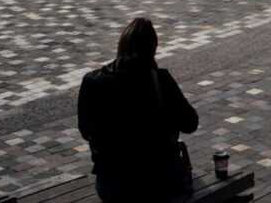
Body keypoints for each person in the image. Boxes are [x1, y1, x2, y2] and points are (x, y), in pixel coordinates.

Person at [78, 18, 199, 202]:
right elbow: (190, 124)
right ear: (153, 48)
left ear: (121, 45)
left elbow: (86, 131)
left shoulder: (92, 81)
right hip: (158, 183)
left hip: (113, 185)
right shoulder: (160, 79)